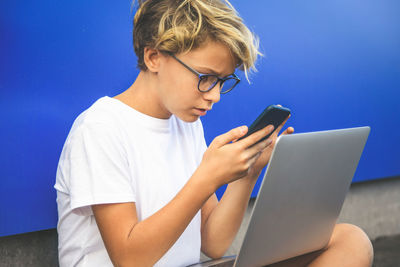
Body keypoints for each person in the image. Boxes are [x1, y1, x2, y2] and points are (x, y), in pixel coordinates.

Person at [54, 0, 374, 266]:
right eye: (206, 77)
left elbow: (214, 243)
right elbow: (129, 258)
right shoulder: (100, 128)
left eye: (223, 81)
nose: (215, 95)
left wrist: (246, 175)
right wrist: (206, 178)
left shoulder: (185, 125)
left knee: (350, 240)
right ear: (154, 57)